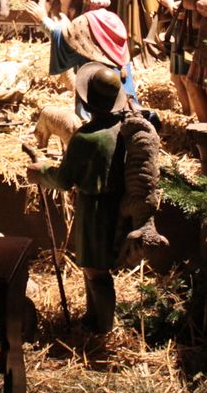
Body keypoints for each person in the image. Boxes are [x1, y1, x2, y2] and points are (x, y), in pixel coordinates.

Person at [25, 64, 139, 334]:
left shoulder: (86, 138)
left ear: (87, 102)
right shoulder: (120, 129)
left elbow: (64, 180)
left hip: (95, 210)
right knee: (92, 266)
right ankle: (92, 316)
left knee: (97, 270)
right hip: (115, 205)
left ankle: (103, 326)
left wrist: (41, 171)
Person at [26, 0, 140, 120]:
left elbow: (63, 38)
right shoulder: (115, 19)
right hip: (120, 76)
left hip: (96, 78)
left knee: (95, 115)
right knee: (123, 110)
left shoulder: (84, 21)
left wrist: (43, 19)